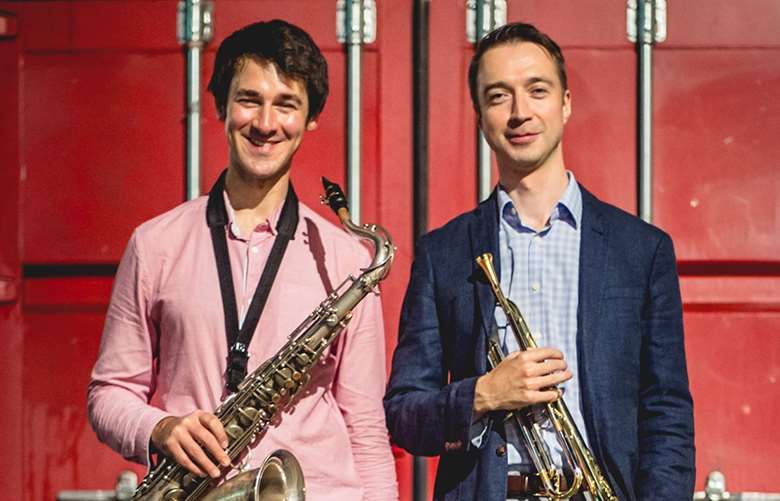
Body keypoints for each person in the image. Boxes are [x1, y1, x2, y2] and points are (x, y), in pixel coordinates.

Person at [88, 19, 398, 501]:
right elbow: (108, 394)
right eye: (249, 99)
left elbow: (366, 428)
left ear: (311, 117)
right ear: (221, 106)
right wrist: (161, 428)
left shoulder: (347, 261)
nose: (266, 123)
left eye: (287, 104)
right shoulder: (155, 244)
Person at [384, 22, 694, 501]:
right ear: (479, 115)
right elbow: (405, 415)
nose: (520, 112)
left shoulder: (641, 250)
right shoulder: (442, 253)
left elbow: (667, 413)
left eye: (537, 90)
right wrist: (484, 394)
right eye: (498, 97)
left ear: (566, 102)